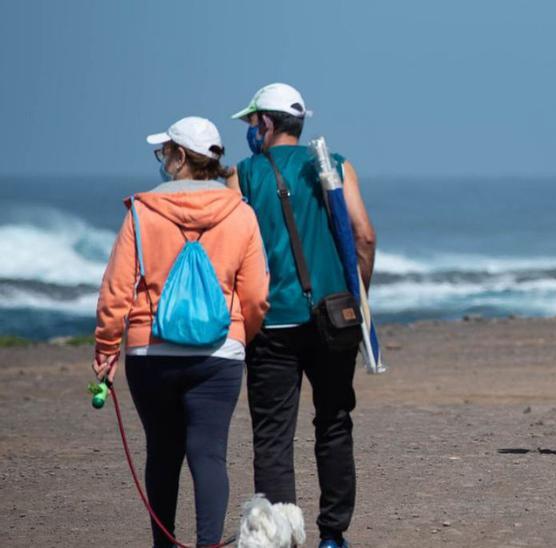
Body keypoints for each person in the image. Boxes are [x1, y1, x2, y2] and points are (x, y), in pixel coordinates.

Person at [94, 116, 269, 547]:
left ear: (178, 158)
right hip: (219, 354)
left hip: (150, 352)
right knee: (209, 455)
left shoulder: (142, 209)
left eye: (164, 152)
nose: (162, 160)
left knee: (162, 453)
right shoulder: (241, 213)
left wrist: (105, 347)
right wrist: (240, 337)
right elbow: (257, 295)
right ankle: (209, 544)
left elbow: (117, 288)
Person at [228, 83, 376, 548]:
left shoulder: (244, 174)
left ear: (266, 124)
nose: (251, 132)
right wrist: (358, 298)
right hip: (335, 316)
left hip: (271, 321)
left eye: (253, 123)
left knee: (273, 435)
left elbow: (231, 251)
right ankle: (333, 535)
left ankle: (278, 538)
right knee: (333, 422)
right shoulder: (336, 163)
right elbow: (364, 236)